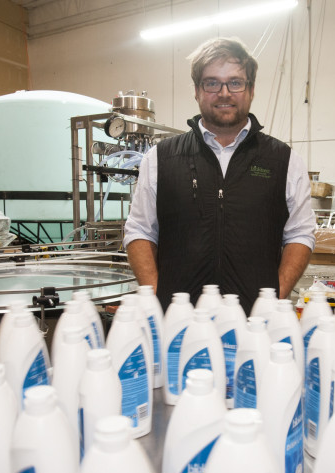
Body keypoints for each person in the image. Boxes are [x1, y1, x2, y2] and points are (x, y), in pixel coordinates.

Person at [123, 37, 317, 313]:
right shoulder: (160, 158)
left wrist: (275, 298)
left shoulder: (284, 160)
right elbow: (140, 231)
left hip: (256, 325)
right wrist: (156, 297)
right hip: (179, 326)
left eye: (235, 82)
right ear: (197, 90)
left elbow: (300, 234)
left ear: (250, 89)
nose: (224, 93)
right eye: (212, 82)